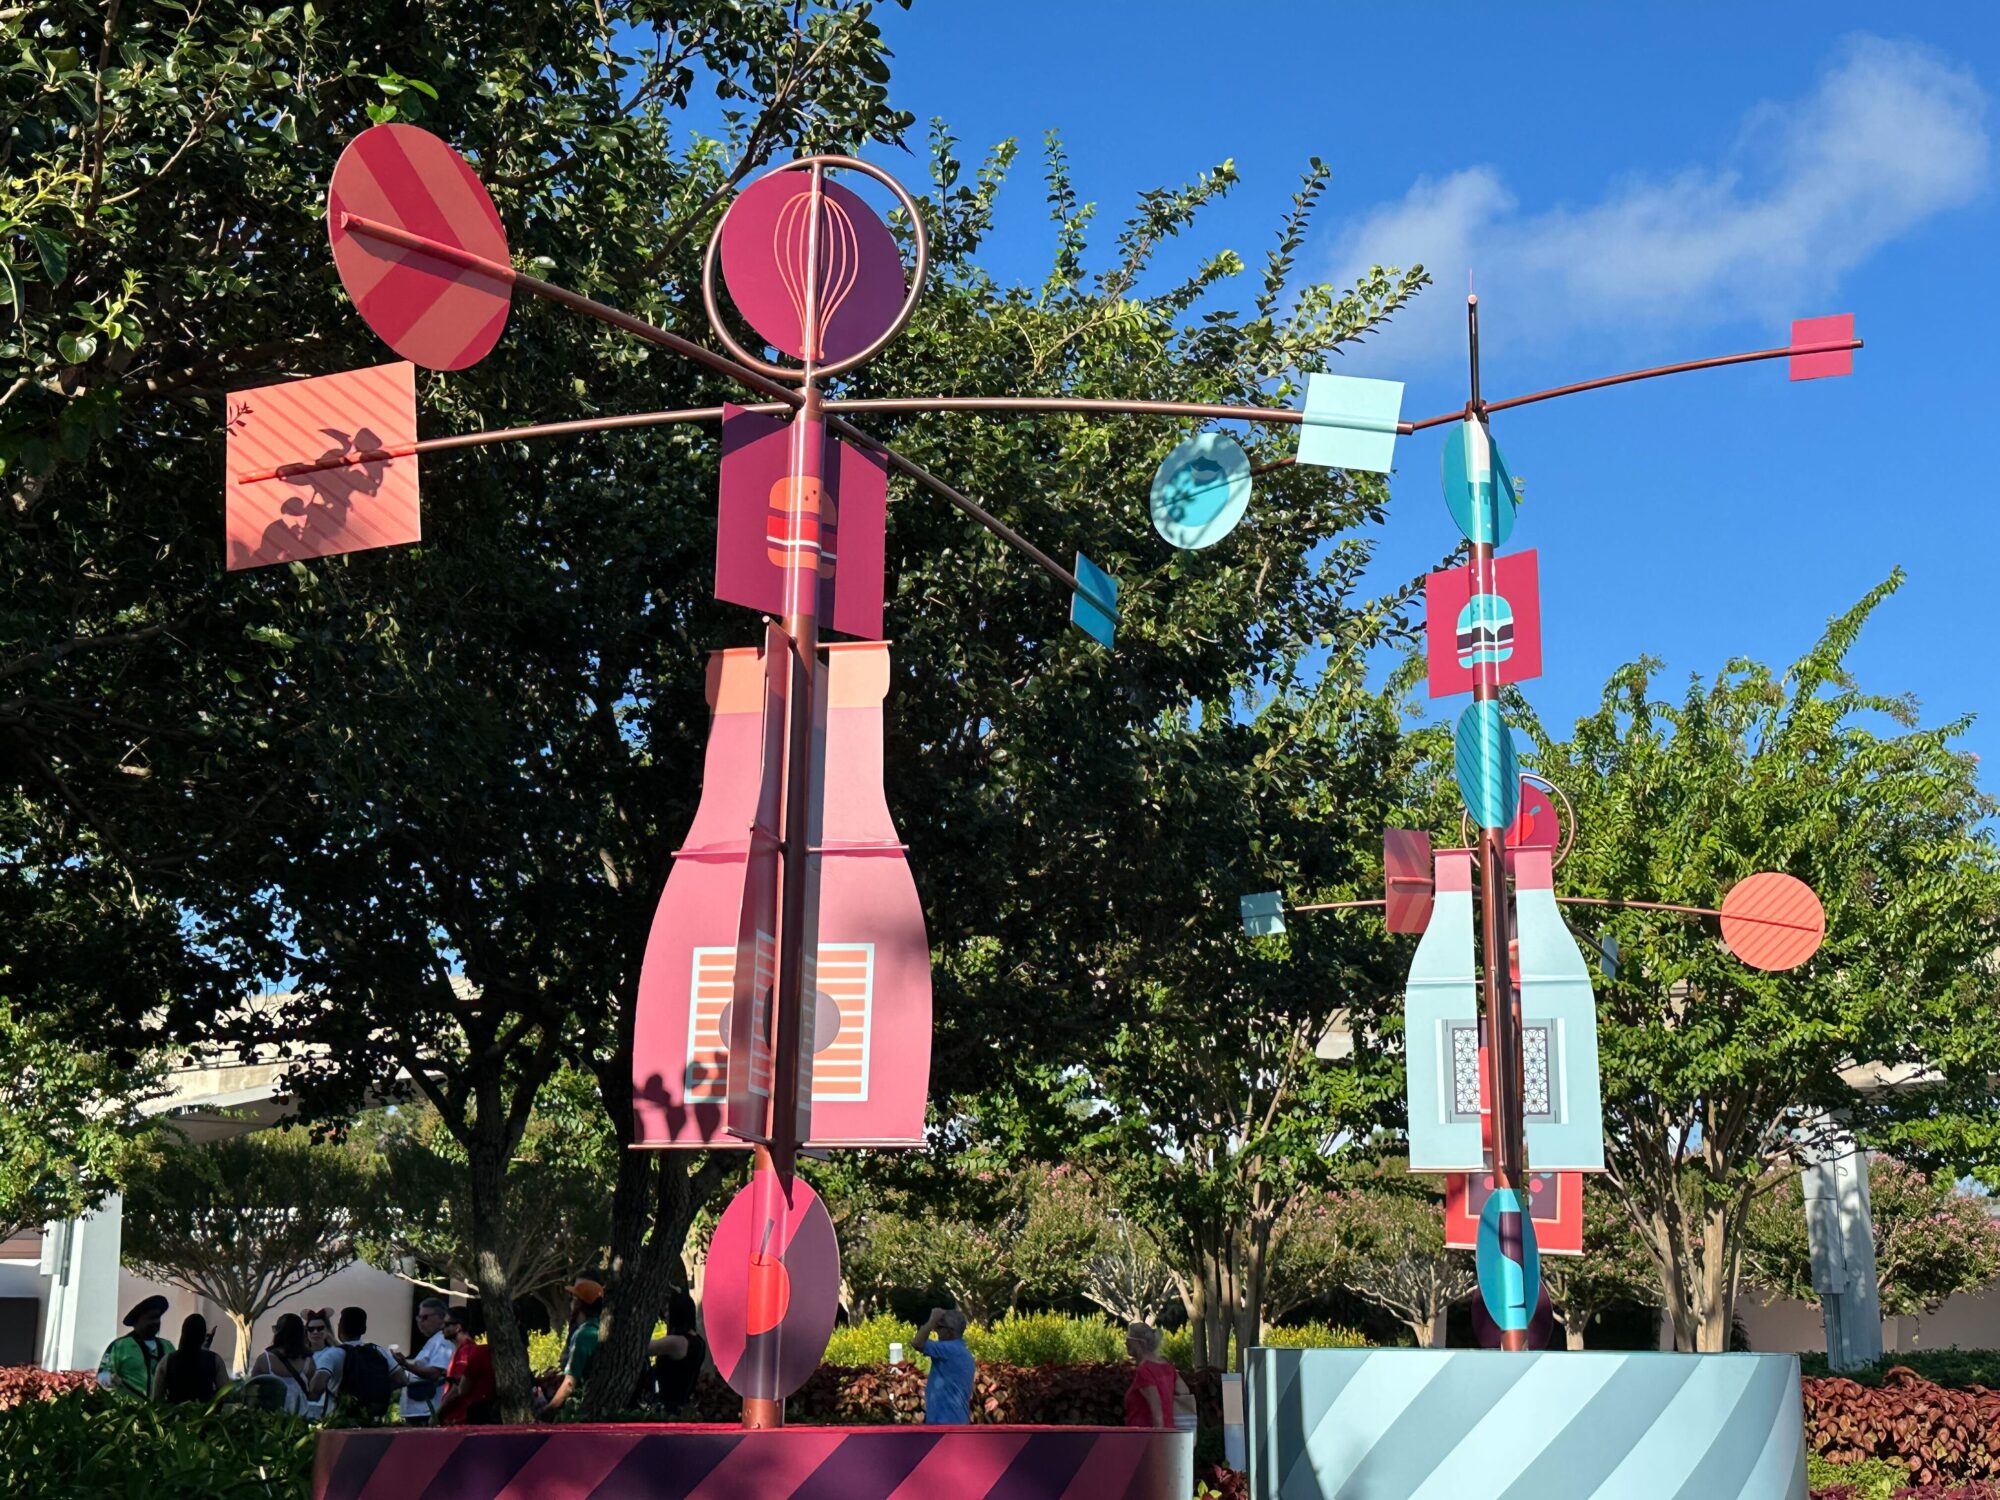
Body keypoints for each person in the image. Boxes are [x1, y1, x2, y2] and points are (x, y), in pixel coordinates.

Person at [314, 1305, 402, 1423]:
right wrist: (378, 1389)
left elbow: (317, 1387)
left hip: (339, 1420)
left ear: (340, 1328)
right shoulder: (379, 1351)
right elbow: (402, 1379)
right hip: (371, 1419)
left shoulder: (333, 1354)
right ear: (364, 1329)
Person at [539, 1278, 604, 1417]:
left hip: (583, 1407)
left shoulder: (583, 1335)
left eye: (572, 1299)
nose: (570, 1303)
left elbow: (570, 1383)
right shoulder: (600, 1329)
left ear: (579, 1304)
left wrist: (548, 1410)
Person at [97, 1295, 173, 1401]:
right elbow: (102, 1376)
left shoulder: (168, 1346)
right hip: (129, 1409)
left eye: (158, 1318)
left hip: (163, 1409)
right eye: (151, 1318)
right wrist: (110, 1379)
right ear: (137, 1321)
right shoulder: (120, 1346)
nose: (156, 1322)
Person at [1123, 1322, 1194, 1431]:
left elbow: (1157, 1411)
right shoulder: (1168, 1367)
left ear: (1139, 1343)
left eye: (1128, 1339)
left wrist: (1158, 1437)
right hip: (1169, 1432)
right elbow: (1184, 1391)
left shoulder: (1144, 1370)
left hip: (1144, 1435)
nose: (1125, 1343)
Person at [395, 1296, 455, 1424]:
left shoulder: (442, 1341)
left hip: (428, 1411)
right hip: (419, 1410)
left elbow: (434, 1373)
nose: (420, 1322)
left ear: (441, 1318)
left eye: (425, 1317)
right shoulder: (434, 1340)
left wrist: (406, 1364)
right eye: (418, 1317)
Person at [649, 1289, 706, 1417]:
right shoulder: (698, 1342)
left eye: (668, 1311)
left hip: (668, 1410)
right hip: (683, 1408)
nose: (666, 1315)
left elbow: (646, 1348)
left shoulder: (676, 1342)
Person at [246, 1313, 318, 1415]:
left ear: (278, 1332)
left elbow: (251, 1388)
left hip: (270, 1418)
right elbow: (313, 1393)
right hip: (298, 1419)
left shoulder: (265, 1359)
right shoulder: (308, 1361)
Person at [436, 1306, 497, 1426]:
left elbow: (457, 1390)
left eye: (447, 1324)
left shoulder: (466, 1351)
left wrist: (437, 1415)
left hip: (460, 1419)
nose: (442, 1327)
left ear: (458, 1327)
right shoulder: (461, 1350)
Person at [914, 1307, 974, 1425]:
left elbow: (917, 1342)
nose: (936, 1331)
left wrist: (932, 1320)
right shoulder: (962, 1352)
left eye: (939, 1327)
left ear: (949, 1331)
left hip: (946, 1422)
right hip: (955, 1420)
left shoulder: (949, 1349)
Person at [153, 1313, 230, 1404]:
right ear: (203, 1335)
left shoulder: (167, 1361)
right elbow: (225, 1394)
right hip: (205, 1412)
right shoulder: (215, 1360)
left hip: (175, 1412)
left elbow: (157, 1398)